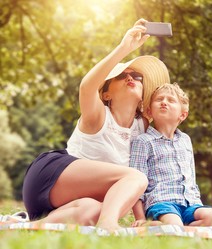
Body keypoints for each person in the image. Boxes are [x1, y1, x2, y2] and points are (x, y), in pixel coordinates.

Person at [22, 18, 170, 232]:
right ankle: (108, 226)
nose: (130, 77)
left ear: (143, 95)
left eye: (136, 76)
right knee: (136, 177)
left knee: (93, 210)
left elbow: (169, 123)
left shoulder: (143, 127)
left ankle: (31, 225)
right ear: (106, 93)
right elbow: (86, 87)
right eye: (121, 75)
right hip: (51, 177)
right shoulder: (98, 115)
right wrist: (124, 48)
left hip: (68, 203)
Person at [129, 83, 212, 227]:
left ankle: (179, 229)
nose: (164, 102)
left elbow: (191, 177)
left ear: (182, 115)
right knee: (174, 223)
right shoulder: (143, 141)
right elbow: (135, 184)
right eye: (159, 99)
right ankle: (163, 226)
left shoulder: (185, 140)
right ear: (149, 112)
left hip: (190, 203)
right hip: (162, 203)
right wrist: (140, 217)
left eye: (171, 100)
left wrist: (196, 201)